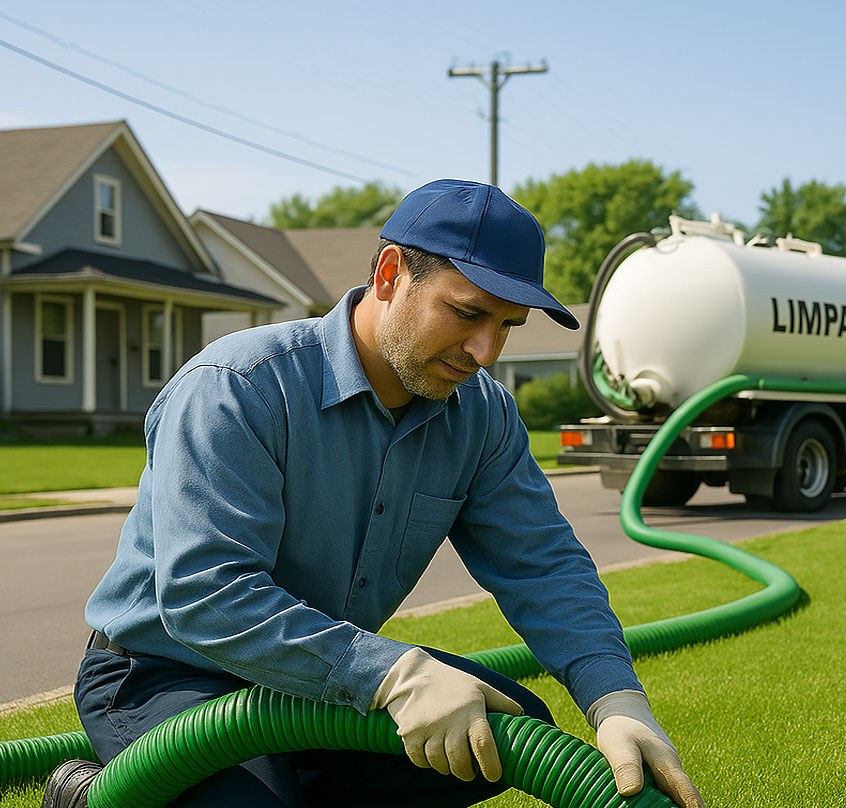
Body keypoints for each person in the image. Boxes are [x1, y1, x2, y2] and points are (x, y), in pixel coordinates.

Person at [45, 180, 705, 808]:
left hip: (311, 673)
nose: (485, 351)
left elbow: (544, 565)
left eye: (508, 326)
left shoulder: (482, 416)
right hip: (164, 672)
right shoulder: (238, 387)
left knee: (504, 734)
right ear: (390, 275)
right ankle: (95, 794)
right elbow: (205, 595)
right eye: (467, 313)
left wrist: (615, 698)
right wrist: (394, 675)